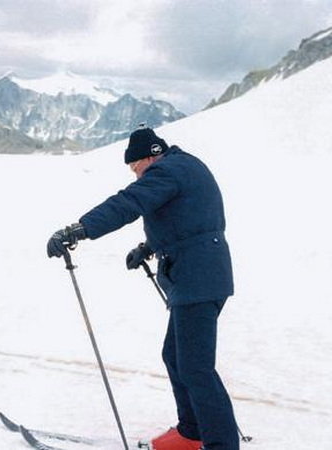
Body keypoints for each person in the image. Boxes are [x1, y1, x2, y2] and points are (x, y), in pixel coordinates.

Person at [47, 127, 239, 450]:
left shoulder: (166, 171)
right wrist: (150, 247)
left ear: (149, 157)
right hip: (199, 275)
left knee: (195, 367)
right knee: (177, 357)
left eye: (136, 168)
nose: (136, 176)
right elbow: (188, 218)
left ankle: (220, 444)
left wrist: (79, 230)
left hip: (198, 278)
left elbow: (130, 203)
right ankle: (191, 432)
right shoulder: (183, 166)